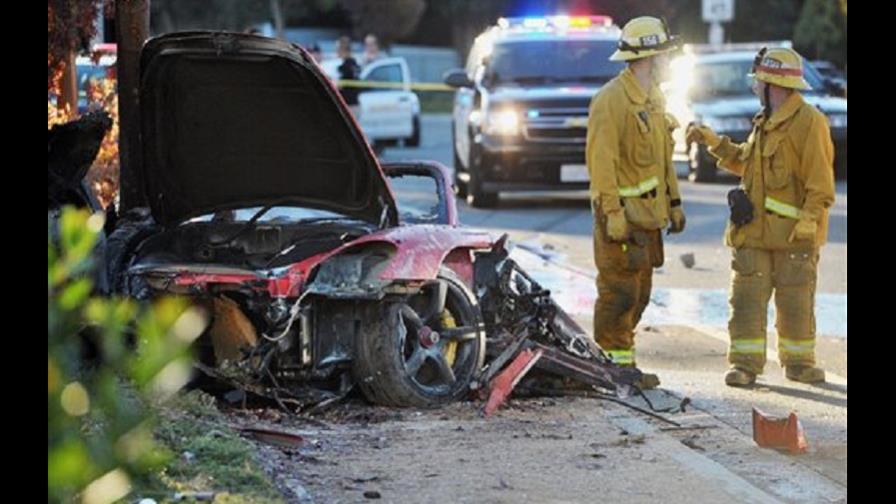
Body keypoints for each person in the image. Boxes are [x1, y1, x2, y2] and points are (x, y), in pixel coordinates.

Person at [686, 47, 835, 386]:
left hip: (793, 237)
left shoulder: (810, 124)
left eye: (759, 81)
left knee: (795, 301)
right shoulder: (764, 122)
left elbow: (820, 183)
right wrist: (714, 143)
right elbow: (747, 164)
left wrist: (810, 219)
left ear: (774, 85)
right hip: (753, 233)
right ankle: (745, 365)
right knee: (746, 301)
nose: (754, 87)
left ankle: (798, 363)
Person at [585, 16, 685, 389]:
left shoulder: (654, 100)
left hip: (647, 221)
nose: (669, 62)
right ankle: (612, 370)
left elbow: (663, 159)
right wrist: (611, 212)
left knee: (640, 295)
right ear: (648, 58)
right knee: (619, 294)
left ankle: (621, 365)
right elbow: (602, 163)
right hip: (621, 221)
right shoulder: (611, 101)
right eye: (665, 56)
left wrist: (674, 203)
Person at [336, 36, 361, 117]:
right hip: (355, 104)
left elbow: (340, 86)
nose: (336, 52)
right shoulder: (355, 65)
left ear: (343, 50)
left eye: (338, 49)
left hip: (349, 106)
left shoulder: (345, 67)